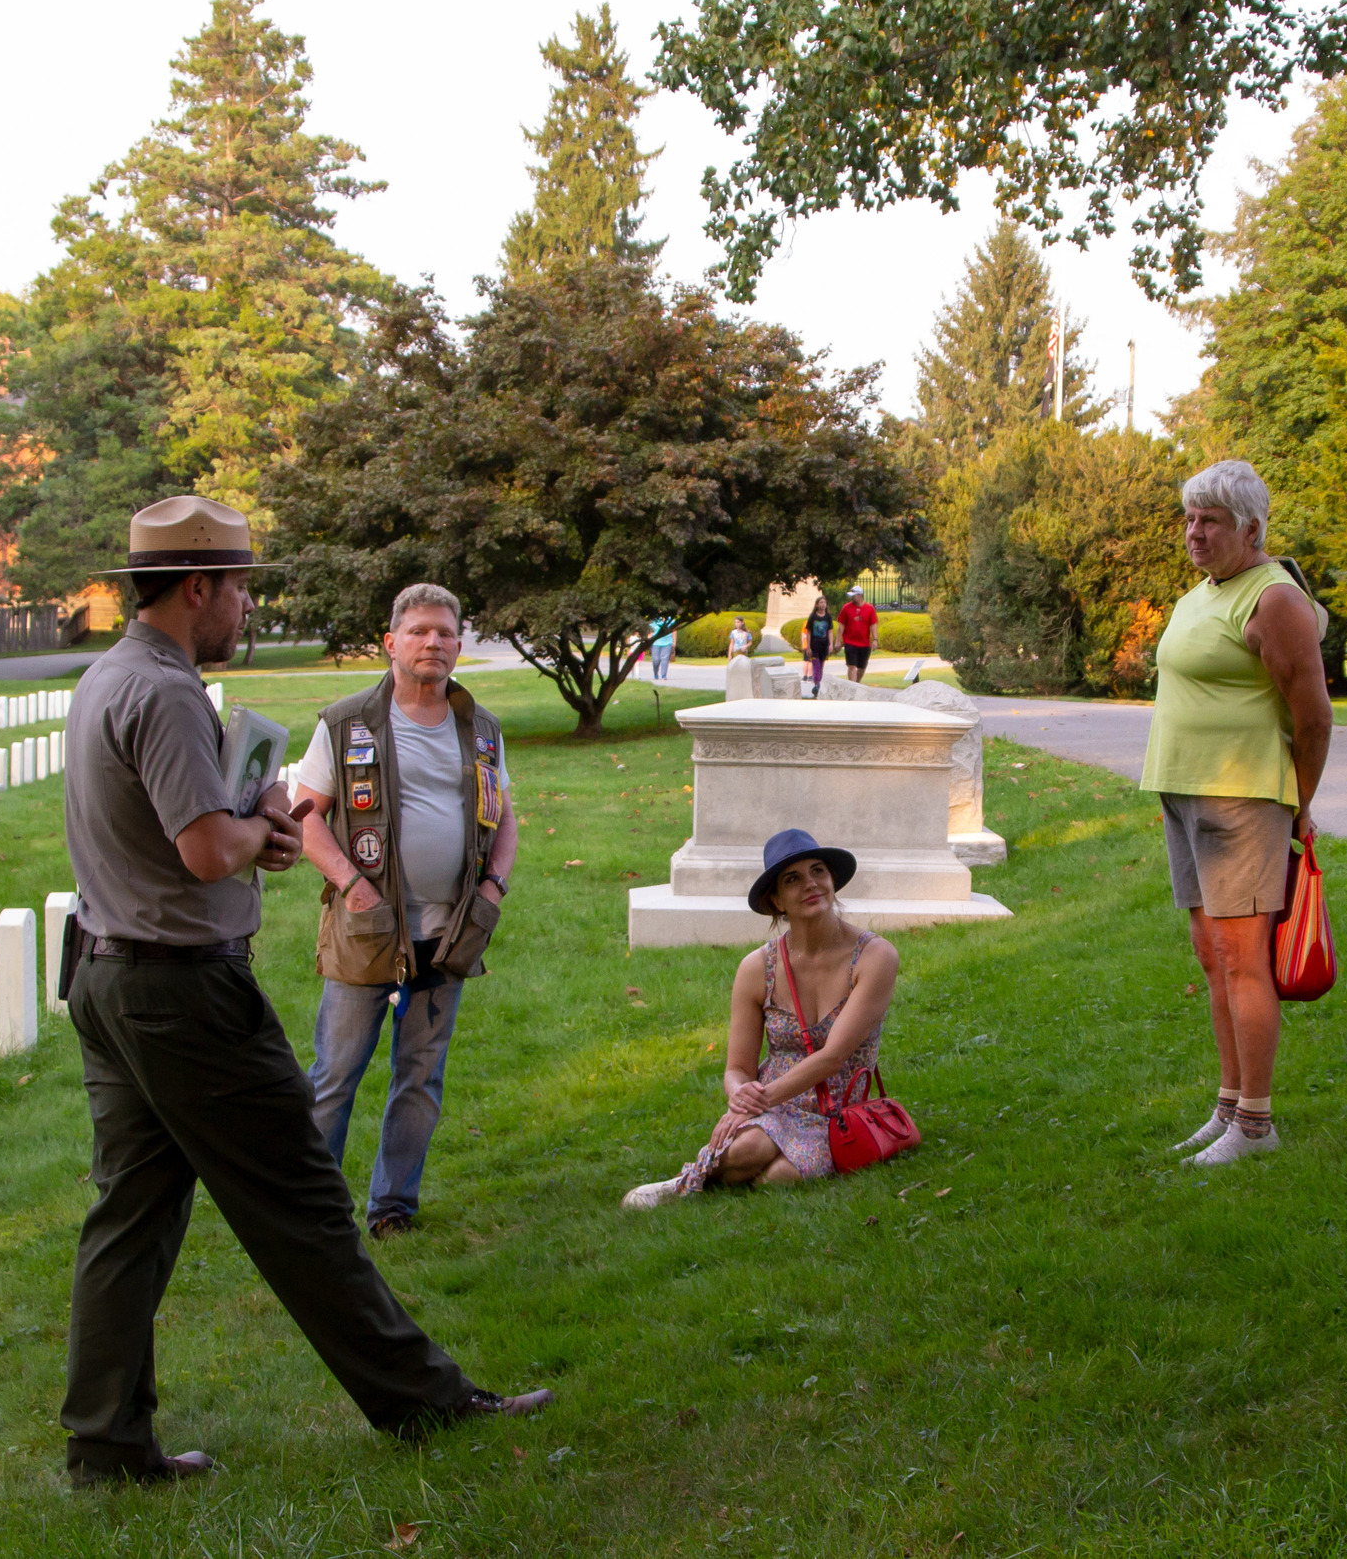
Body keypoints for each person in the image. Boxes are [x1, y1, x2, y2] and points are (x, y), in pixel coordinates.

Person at [59, 499, 544, 1486]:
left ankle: (105, 1443)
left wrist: (247, 830)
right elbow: (204, 849)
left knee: (130, 1217)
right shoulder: (165, 693)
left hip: (109, 976)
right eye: (237, 584)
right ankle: (423, 1401)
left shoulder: (106, 675)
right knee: (305, 1206)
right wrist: (268, 835)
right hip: (181, 992)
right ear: (197, 587)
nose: (245, 602)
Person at [289, 584, 518, 1241]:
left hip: (449, 935)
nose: (433, 643)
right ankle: (315, 1213)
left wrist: (494, 887)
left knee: (420, 1078)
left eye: (445, 632)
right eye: (418, 631)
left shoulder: (481, 728)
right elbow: (308, 820)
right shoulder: (346, 722)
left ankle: (394, 1206)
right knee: (334, 1075)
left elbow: (503, 819)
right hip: (365, 932)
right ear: (390, 642)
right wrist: (353, 887)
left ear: (459, 644)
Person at [1140, 459, 1332, 1166]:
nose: (1194, 532)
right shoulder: (1202, 592)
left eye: (1210, 520)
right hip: (1184, 792)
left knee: (1244, 960)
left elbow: (1312, 716)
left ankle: (1255, 1123)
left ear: (1250, 529)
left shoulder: (1273, 599)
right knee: (1212, 956)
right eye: (1189, 518)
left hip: (1243, 797)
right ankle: (1227, 1104)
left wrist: (1301, 802)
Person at [623, 828, 900, 1206]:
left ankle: (709, 1175)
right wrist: (741, 1098)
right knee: (747, 1150)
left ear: (833, 880)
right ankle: (681, 1185)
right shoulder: (757, 968)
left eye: (818, 871)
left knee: (780, 1177)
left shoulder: (876, 956)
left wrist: (755, 1101)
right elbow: (737, 1068)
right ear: (777, 901)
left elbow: (835, 1055)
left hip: (837, 1110)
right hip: (775, 1105)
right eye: (793, 879)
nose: (811, 884)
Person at [837, 585, 879, 679]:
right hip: (850, 642)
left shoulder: (870, 608)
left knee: (862, 667)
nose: (851, 597)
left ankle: (856, 684)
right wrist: (838, 641)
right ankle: (853, 688)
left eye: (854, 595)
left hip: (864, 643)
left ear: (860, 595)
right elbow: (841, 625)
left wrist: (875, 639)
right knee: (852, 666)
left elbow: (873, 625)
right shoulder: (846, 608)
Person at [803, 595, 835, 696]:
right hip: (814, 644)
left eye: (824, 602)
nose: (823, 604)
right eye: (821, 602)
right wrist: (808, 646)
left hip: (824, 644)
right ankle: (817, 684)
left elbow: (830, 631)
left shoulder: (828, 617)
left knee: (821, 666)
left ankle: (818, 684)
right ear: (817, 605)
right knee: (816, 664)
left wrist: (831, 644)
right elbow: (808, 632)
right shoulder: (813, 616)